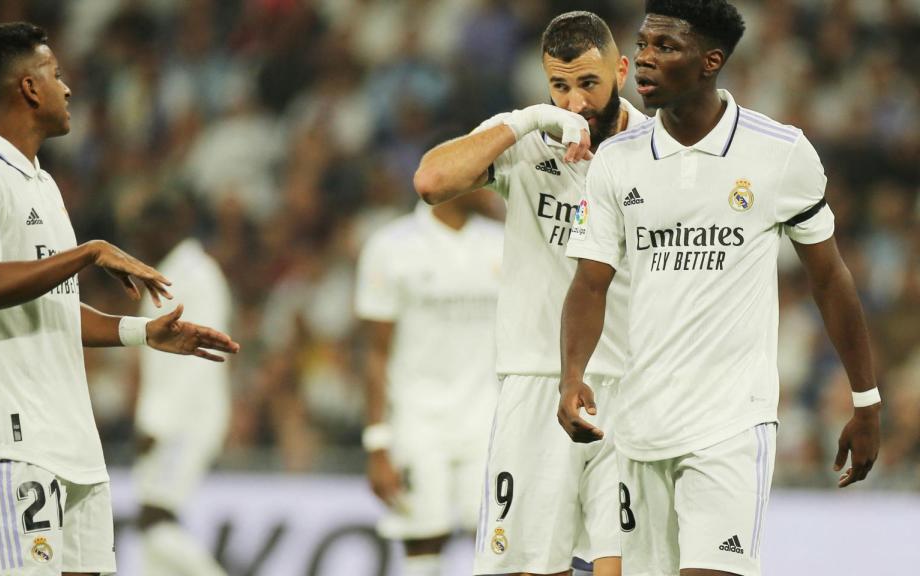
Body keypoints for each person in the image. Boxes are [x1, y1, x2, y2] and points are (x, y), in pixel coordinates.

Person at [559, 1, 881, 575]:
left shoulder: (779, 153)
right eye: (644, 44)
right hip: (638, 425)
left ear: (710, 61)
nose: (645, 60)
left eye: (666, 47)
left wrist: (865, 401)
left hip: (730, 424)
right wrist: (572, 376)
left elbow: (830, 279)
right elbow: (589, 283)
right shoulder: (617, 162)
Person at [0, 22, 239, 576]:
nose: (67, 88)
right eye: (55, 74)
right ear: (28, 88)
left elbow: (53, 310)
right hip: (14, 440)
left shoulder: (43, 186)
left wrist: (142, 333)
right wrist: (89, 252)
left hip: (74, 442)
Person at [414, 11, 646, 576]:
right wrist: (527, 120)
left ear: (621, 71)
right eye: (559, 87)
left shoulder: (654, 150)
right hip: (536, 382)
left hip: (633, 389)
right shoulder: (528, 139)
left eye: (588, 84)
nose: (575, 104)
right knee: (527, 568)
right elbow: (431, 182)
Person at [355, 191, 503, 576]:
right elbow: (375, 352)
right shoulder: (391, 246)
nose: (492, 185)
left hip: (489, 419)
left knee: (493, 541)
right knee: (423, 540)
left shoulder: (504, 241)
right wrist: (377, 442)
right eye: (482, 177)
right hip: (417, 419)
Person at [130, 194, 233, 576]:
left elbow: (199, 358)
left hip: (185, 420)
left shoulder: (196, 275)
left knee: (154, 520)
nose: (139, 241)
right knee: (152, 540)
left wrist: (157, 423)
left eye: (145, 231)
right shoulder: (169, 275)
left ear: (169, 228)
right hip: (169, 418)